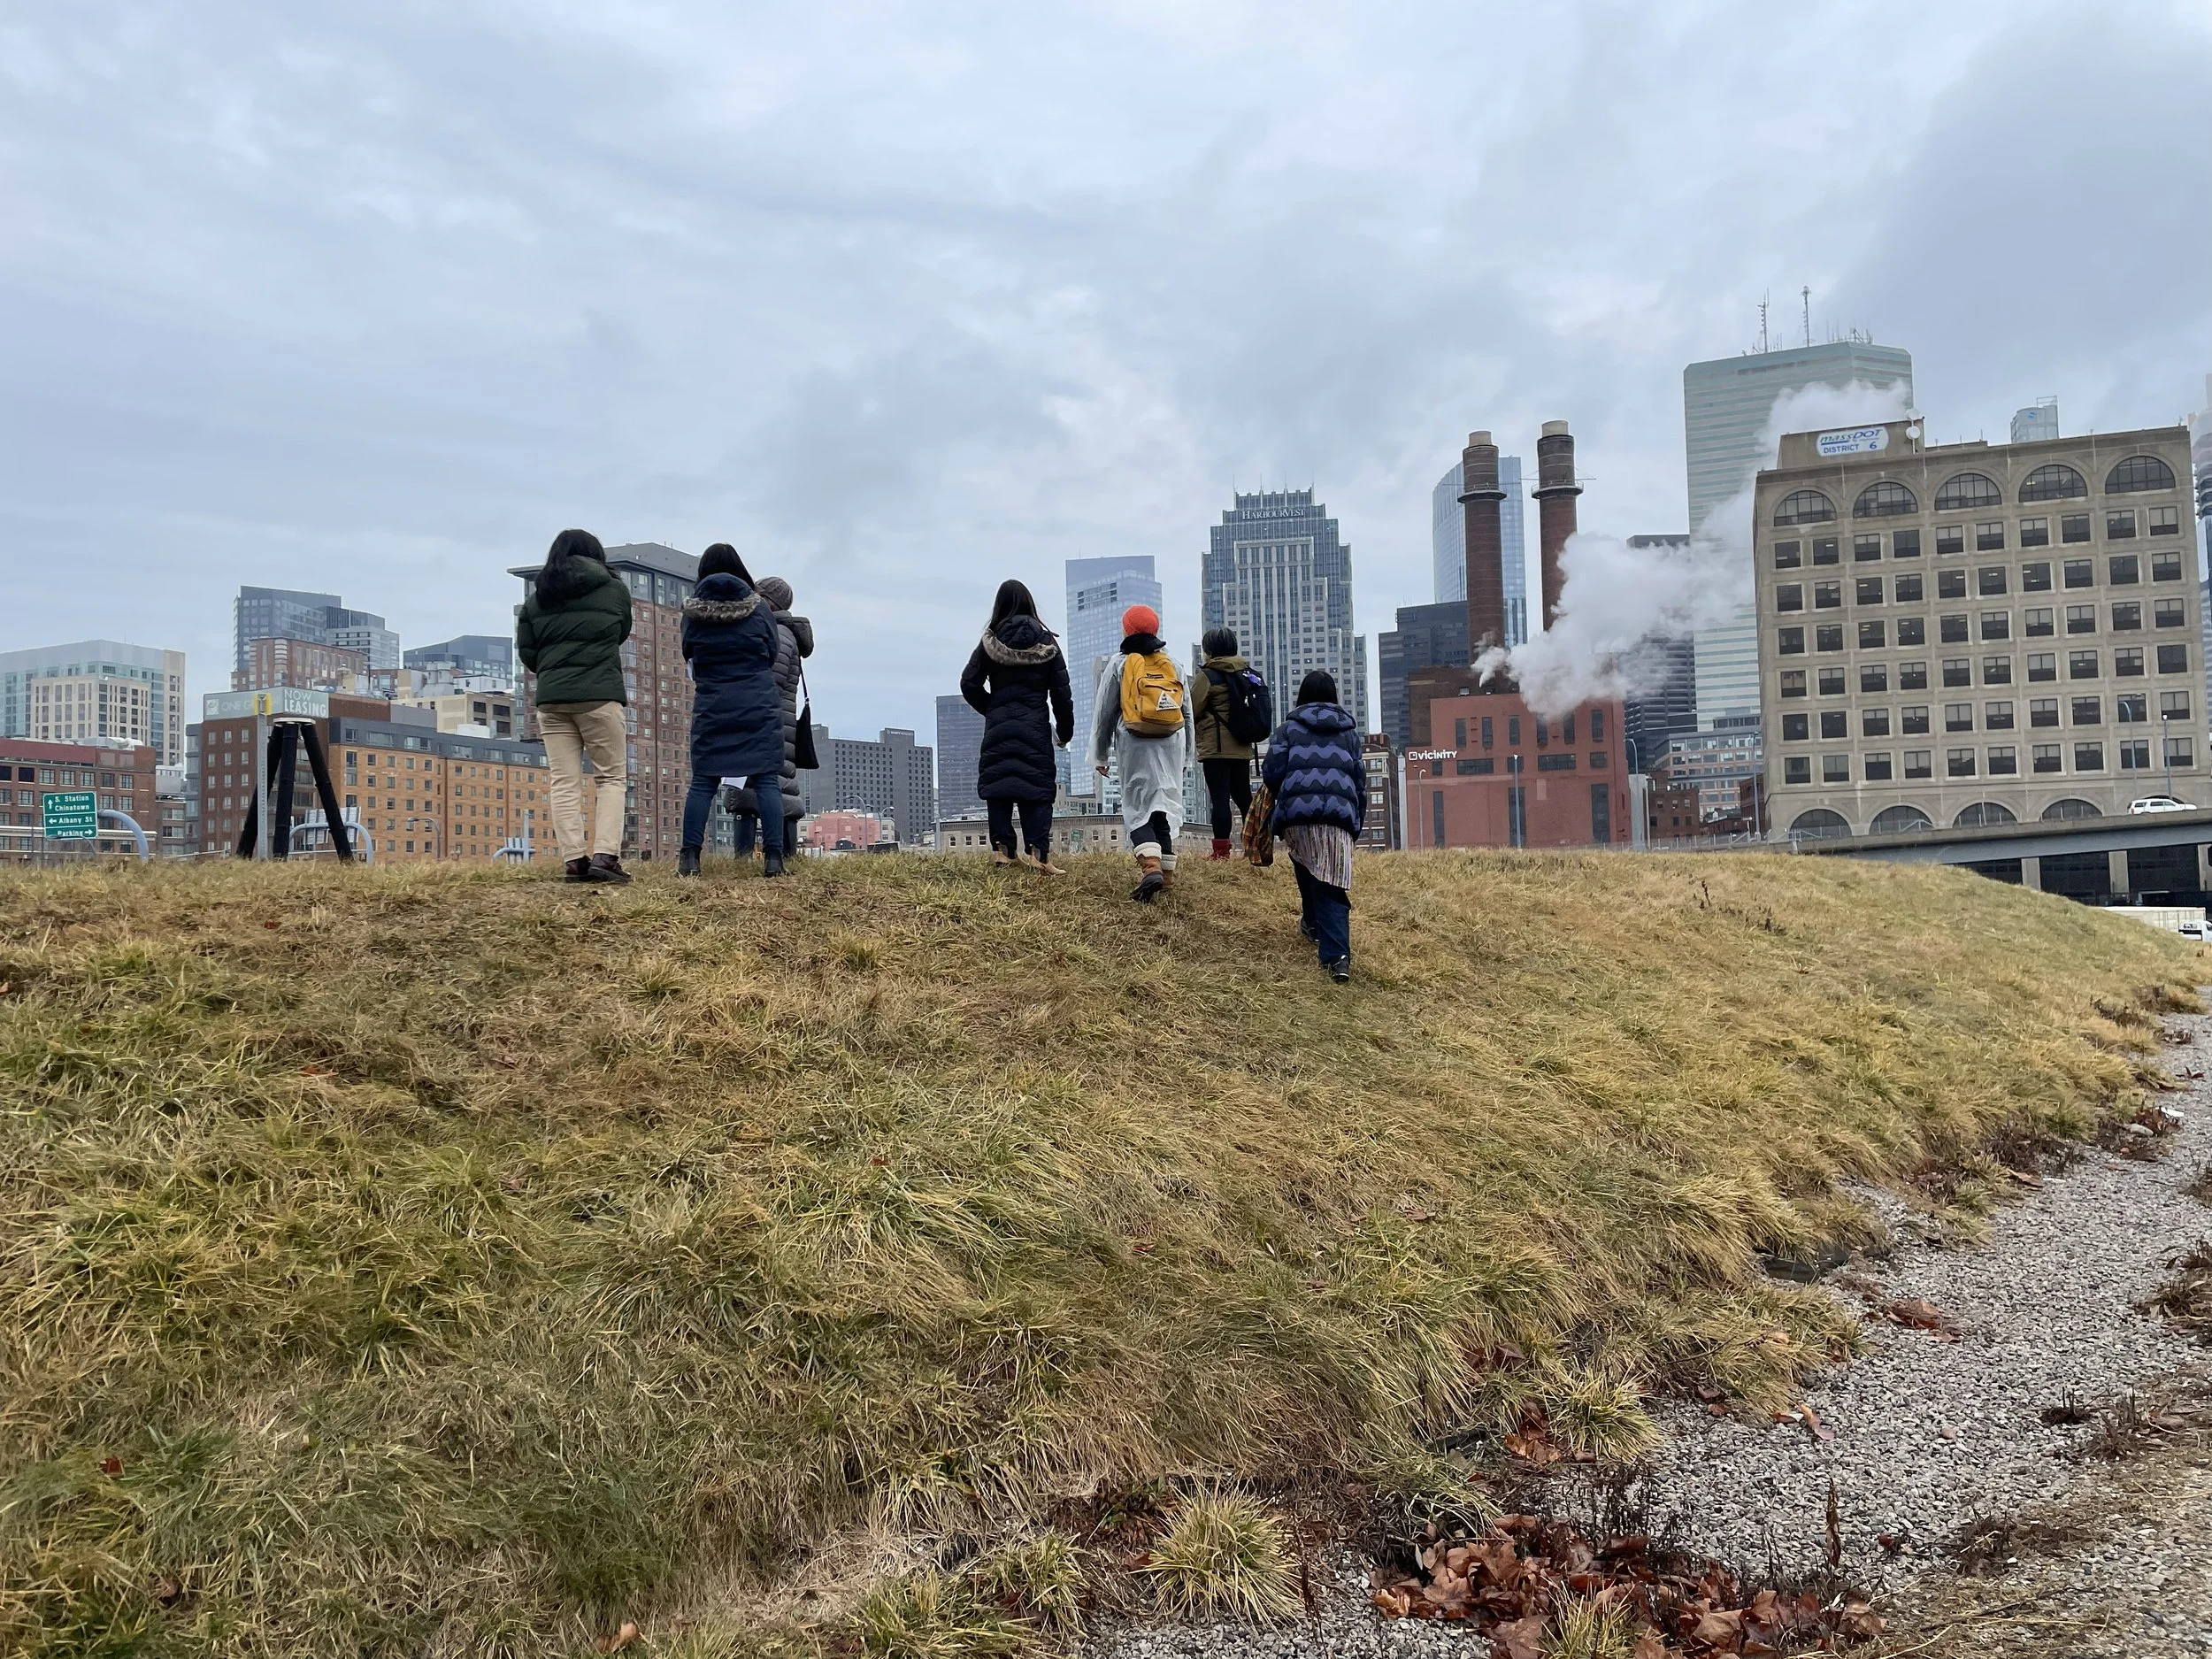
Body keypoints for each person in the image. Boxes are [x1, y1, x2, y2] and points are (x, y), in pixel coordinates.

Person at [517, 527, 633, 884]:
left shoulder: (538, 599)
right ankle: (605, 856)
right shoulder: (614, 590)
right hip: (600, 695)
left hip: (552, 700)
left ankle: (573, 860)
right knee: (610, 777)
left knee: (564, 781)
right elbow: (621, 632)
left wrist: (555, 671)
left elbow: (527, 651)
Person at [679, 544, 787, 878]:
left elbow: (688, 653)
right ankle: (773, 860)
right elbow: (772, 652)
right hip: (758, 702)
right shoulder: (760, 611)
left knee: (703, 783)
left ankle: (689, 860)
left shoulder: (692, 613)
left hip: (712, 704)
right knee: (767, 781)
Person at [960, 579, 1074, 873]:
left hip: (999, 726)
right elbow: (1062, 693)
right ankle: (1039, 855)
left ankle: (1003, 851)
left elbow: (968, 683)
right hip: (1035, 725)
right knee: (1036, 786)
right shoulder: (1048, 643)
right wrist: (1065, 731)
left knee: (999, 784)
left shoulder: (990, 641)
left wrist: (992, 710)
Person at [1259, 670, 1366, 982]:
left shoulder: (1288, 729)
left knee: (1306, 860)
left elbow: (1272, 772)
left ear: (1301, 696)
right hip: (1338, 818)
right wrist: (1356, 819)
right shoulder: (1350, 735)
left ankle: (1313, 924)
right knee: (1330, 882)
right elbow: (1359, 782)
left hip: (1297, 817)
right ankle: (1338, 958)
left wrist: (1289, 798)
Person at [1087, 603, 1193, 902]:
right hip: (1171, 742)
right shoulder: (1173, 665)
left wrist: (1100, 754)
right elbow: (1187, 714)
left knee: (1137, 804)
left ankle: (1150, 867)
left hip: (1134, 741)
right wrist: (1186, 757)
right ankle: (1167, 875)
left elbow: (1105, 711)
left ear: (1127, 629)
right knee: (1164, 802)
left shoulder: (1121, 664)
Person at [722, 575, 813, 859]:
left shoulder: (776, 634)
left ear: (768, 601)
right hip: (779, 723)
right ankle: (783, 853)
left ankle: (750, 856)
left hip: (762, 719)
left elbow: (767, 681)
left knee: (752, 789)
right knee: (780, 784)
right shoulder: (784, 634)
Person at [1190, 626, 1263, 859]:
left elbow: (1192, 708)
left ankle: (1221, 853)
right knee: (1244, 799)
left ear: (1209, 651)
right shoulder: (1247, 674)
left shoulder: (1208, 676)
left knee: (1220, 801)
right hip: (1242, 747)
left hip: (1216, 749)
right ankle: (1254, 846)